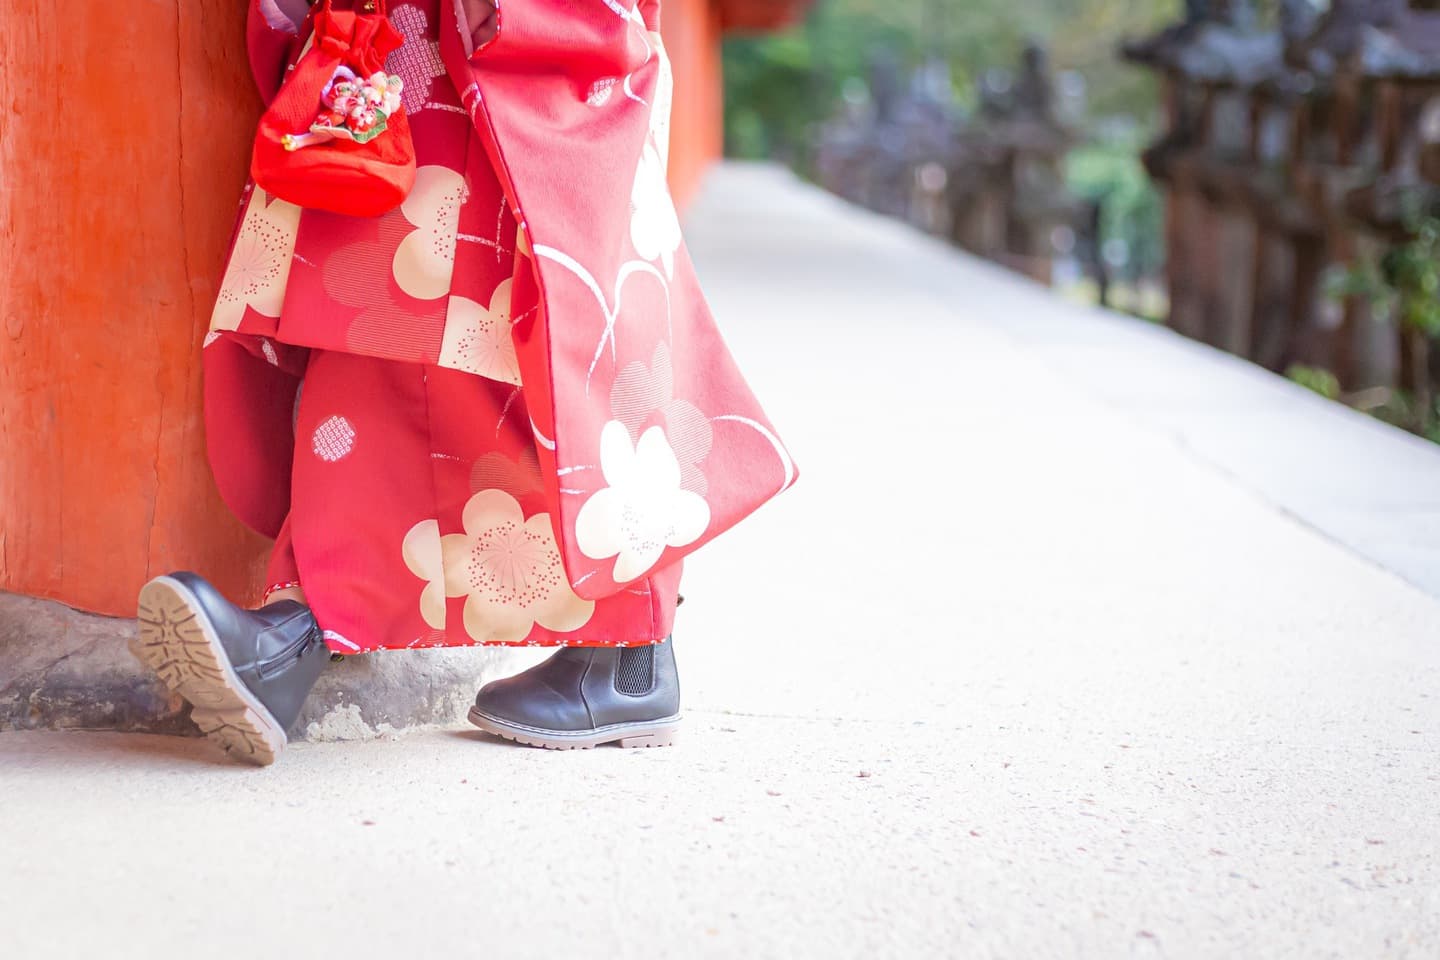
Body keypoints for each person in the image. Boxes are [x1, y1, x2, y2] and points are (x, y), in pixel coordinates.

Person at [131, 0, 795, 765]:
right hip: (405, 41)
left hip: (533, 43)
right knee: (377, 314)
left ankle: (629, 650)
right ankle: (298, 634)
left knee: (555, 328)